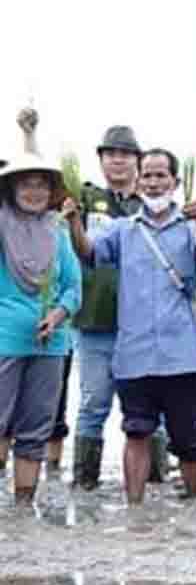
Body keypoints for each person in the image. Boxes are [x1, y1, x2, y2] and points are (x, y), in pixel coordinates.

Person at [63, 149, 196, 504]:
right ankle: (135, 510)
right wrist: (73, 222)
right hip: (134, 355)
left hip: (182, 354)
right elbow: (89, 252)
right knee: (136, 432)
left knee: (187, 436)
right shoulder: (123, 230)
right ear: (138, 182)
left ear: (175, 183)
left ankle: (193, 505)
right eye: (147, 176)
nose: (153, 182)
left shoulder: (191, 227)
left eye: (161, 175)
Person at [0, 153, 81, 505]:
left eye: (41, 184)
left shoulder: (58, 230)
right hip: (5, 341)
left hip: (51, 345)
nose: (34, 191)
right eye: (25, 183)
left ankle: (21, 510)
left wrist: (59, 315)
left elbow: (74, 286)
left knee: (35, 430)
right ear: (11, 188)